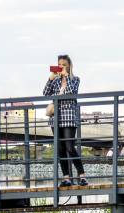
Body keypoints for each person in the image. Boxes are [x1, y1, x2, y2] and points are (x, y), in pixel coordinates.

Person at [42, 54, 88, 186]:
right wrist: (50, 78)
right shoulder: (55, 80)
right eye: (59, 64)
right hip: (55, 117)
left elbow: (71, 91)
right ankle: (66, 177)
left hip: (69, 117)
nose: (61, 67)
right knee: (60, 148)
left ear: (69, 66)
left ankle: (82, 175)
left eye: (64, 65)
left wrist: (66, 76)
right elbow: (45, 93)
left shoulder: (75, 79)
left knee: (70, 146)